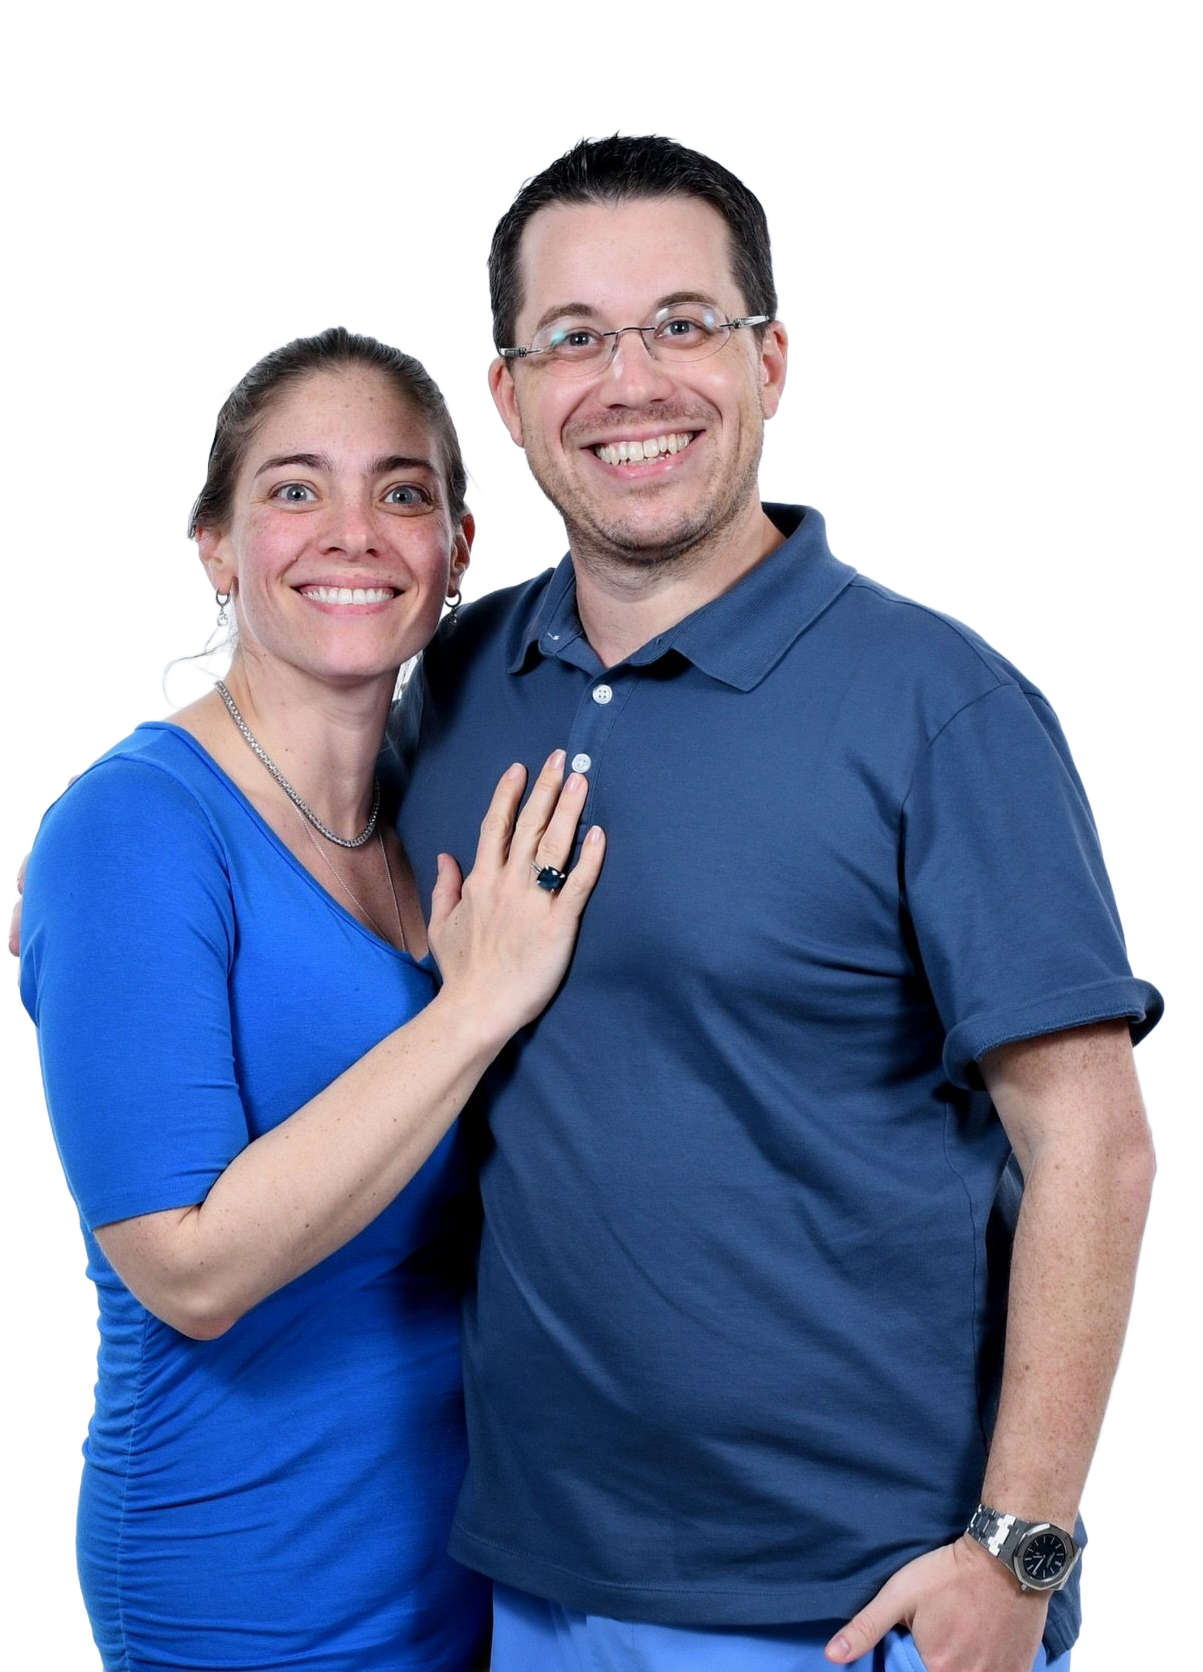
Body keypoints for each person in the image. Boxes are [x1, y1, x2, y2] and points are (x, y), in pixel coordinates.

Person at [383, 132, 1163, 1672]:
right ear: (509, 395)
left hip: (853, 1606)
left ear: (771, 360)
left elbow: (1094, 1142)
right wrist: (102, 839)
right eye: (574, 338)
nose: (630, 383)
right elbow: (287, 793)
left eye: (681, 323)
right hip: (525, 1571)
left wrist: (1018, 1547)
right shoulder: (455, 679)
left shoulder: (941, 705)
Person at [15, 323, 605, 1670]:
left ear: (458, 548)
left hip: (483, 1564)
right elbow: (191, 1269)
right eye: (295, 488)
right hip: (248, 1574)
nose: (352, 533)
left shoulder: (439, 802)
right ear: (216, 548)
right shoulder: (132, 827)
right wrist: (471, 1010)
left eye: (401, 491)